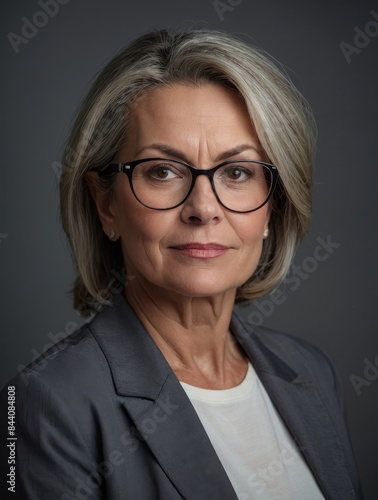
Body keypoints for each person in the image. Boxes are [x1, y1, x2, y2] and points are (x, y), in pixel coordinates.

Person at [0, 28, 362, 499]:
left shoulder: (311, 371)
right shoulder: (46, 404)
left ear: (274, 203)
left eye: (237, 173)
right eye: (162, 171)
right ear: (106, 203)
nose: (204, 208)